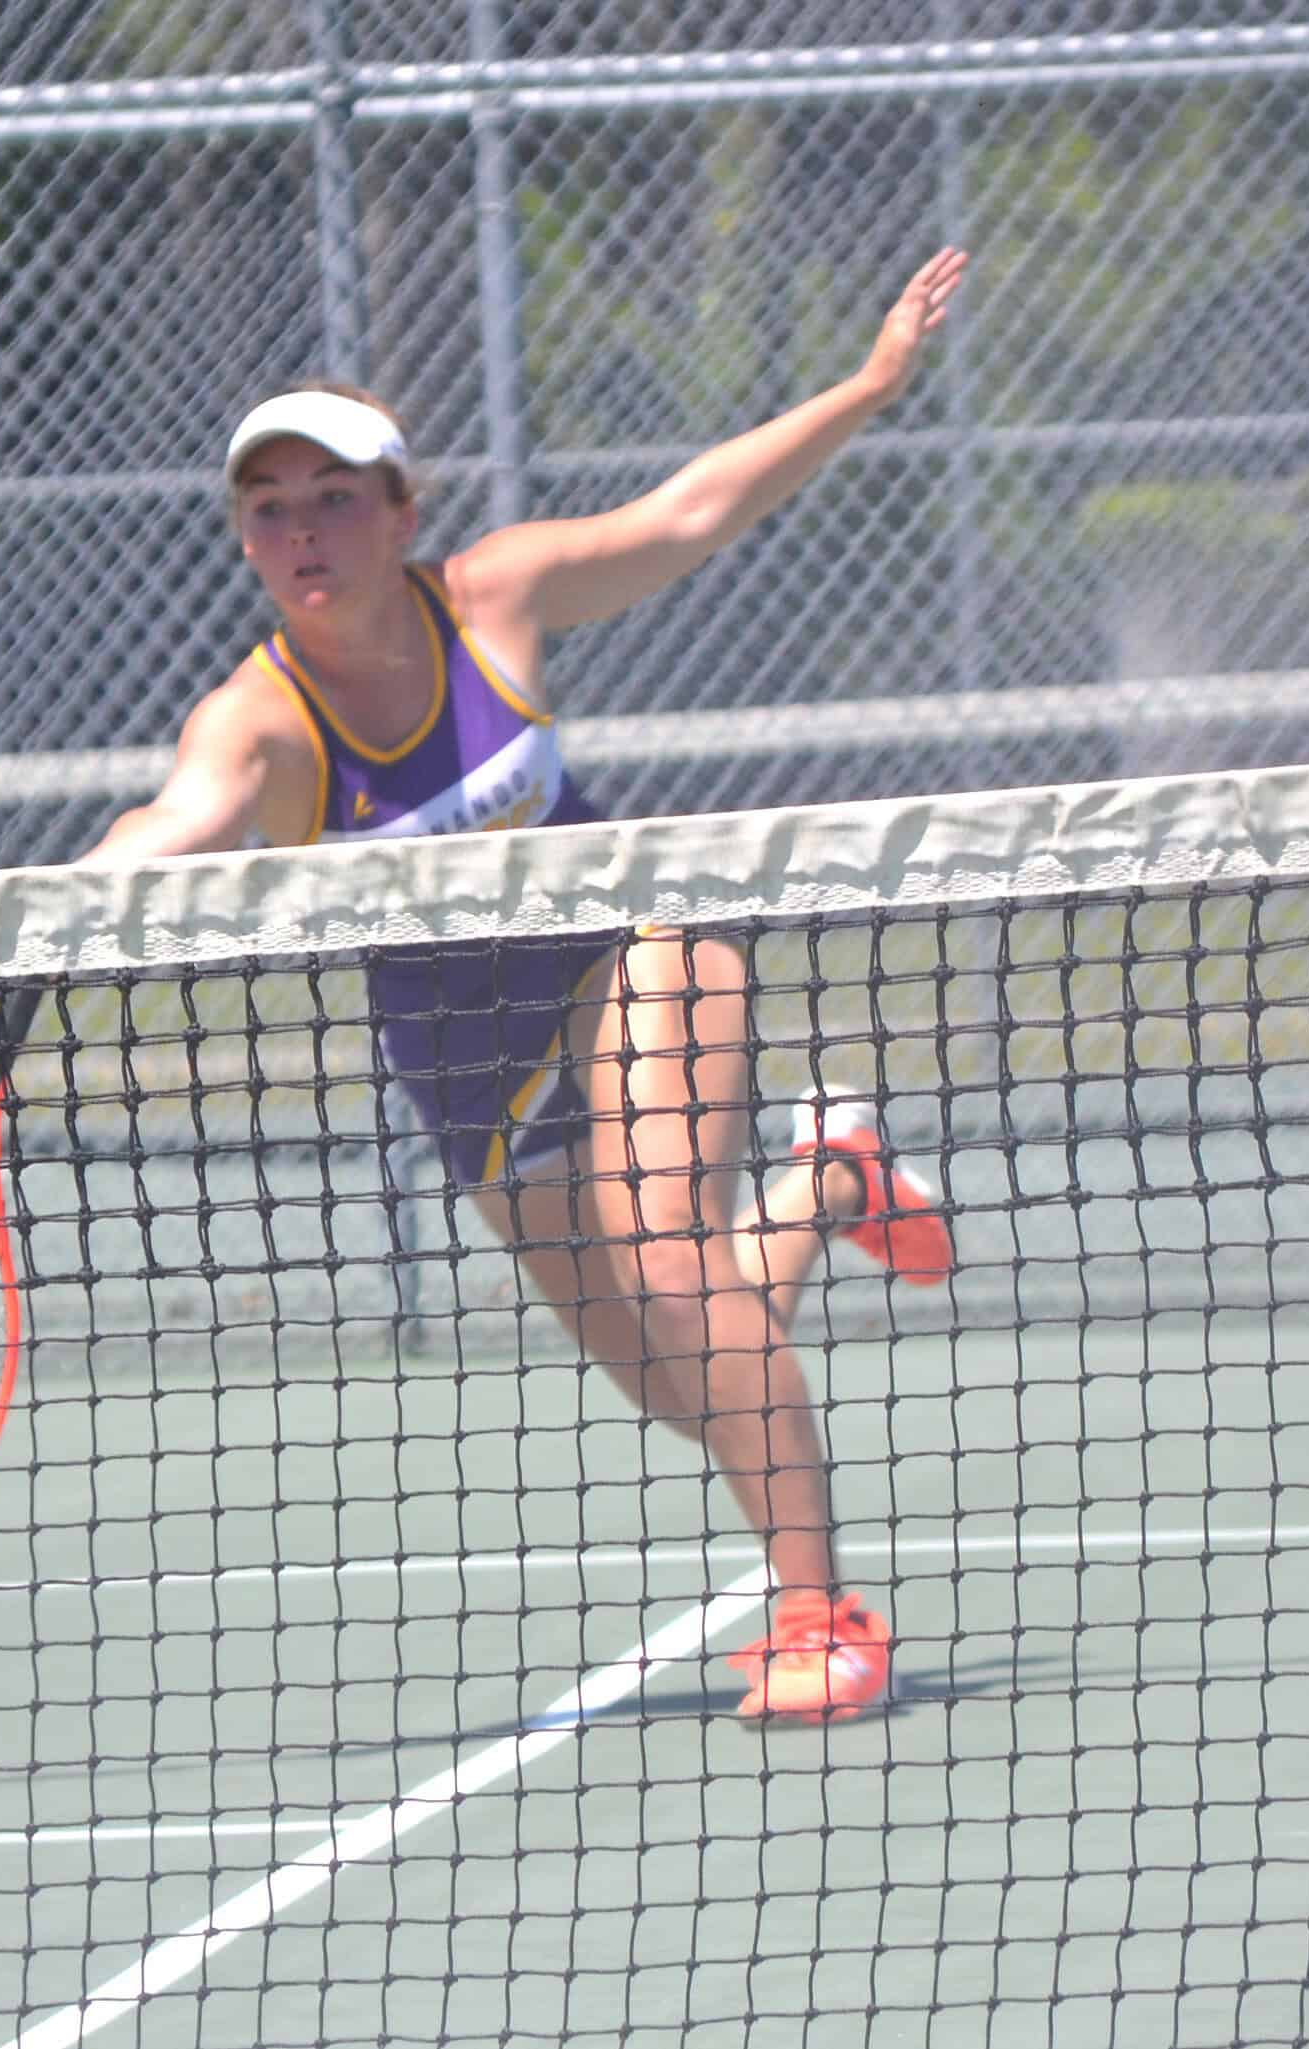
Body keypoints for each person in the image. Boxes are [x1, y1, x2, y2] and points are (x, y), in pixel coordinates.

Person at [85, 247, 970, 1720]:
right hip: (466, 1060)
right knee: (680, 1383)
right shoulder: (258, 721)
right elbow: (171, 820)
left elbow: (694, 509)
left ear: (402, 512)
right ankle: (829, 1181)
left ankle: (822, 1614)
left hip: (628, 950)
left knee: (674, 1261)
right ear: (246, 540)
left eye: (336, 498)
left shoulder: (493, 597)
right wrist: (53, 901)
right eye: (271, 509)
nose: (305, 530)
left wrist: (871, 384)